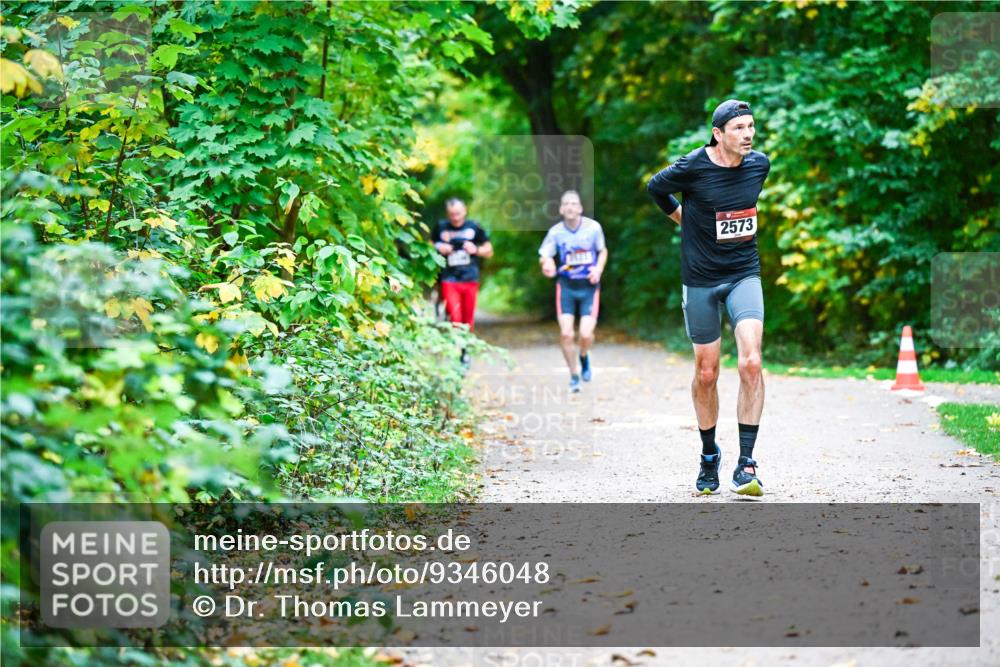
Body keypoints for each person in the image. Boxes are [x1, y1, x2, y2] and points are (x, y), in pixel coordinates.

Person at [646, 99, 770, 499]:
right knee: (707, 372)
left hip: (743, 274)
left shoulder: (759, 165)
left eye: (751, 126)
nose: (748, 134)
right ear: (718, 134)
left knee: (752, 361)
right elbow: (655, 188)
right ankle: (708, 456)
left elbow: (739, 210)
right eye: (738, 128)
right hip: (700, 278)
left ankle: (747, 462)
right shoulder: (692, 166)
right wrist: (683, 218)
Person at [538, 190, 608, 393]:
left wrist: (598, 268)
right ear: (561, 209)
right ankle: (574, 375)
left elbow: (602, 251)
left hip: (588, 287)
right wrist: (548, 264)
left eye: (573, 203)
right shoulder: (555, 232)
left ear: (580, 208)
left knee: (586, 334)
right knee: (566, 334)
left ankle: (584, 357)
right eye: (566, 204)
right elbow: (545, 254)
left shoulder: (593, 228)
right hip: (566, 286)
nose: (570, 207)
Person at [432, 198, 493, 366]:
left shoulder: (475, 227)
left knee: (468, 319)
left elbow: (489, 251)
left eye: (458, 214)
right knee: (456, 317)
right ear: (447, 214)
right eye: (452, 215)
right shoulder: (441, 227)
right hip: (449, 278)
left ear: (465, 211)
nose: (455, 218)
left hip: (470, 278)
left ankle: (465, 352)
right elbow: (429, 246)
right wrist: (439, 248)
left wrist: (476, 249)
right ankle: (457, 349)